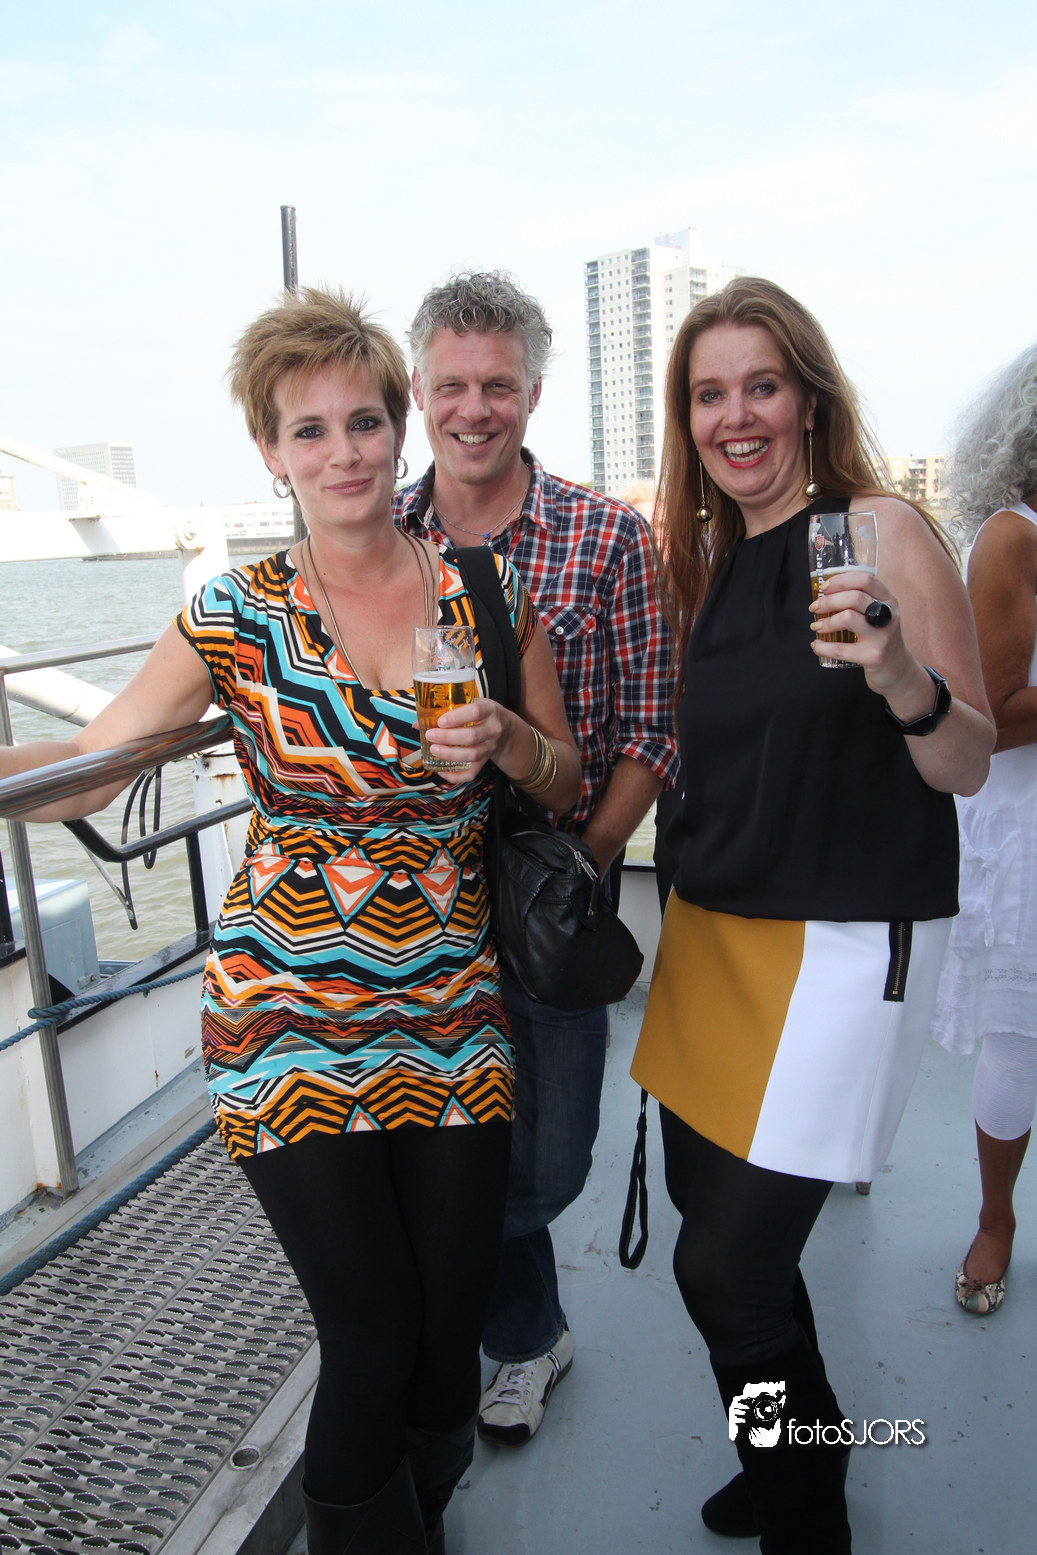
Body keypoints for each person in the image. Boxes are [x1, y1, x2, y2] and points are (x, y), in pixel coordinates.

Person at [0, 287, 581, 1554]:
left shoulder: (487, 593)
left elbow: (564, 778)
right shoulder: (235, 614)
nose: (342, 452)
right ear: (269, 450)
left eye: (363, 421)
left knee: (447, 1334)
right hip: (287, 1008)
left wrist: (507, 738)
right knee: (370, 1328)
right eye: (307, 429)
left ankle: (421, 1513)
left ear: (397, 429)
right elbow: (96, 764)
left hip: (450, 1000)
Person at [629, 277, 994, 1551]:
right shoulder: (711, 562)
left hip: (838, 947)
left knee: (722, 1270)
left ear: (808, 398)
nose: (734, 417)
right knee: (731, 1245)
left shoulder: (879, 530)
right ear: (685, 420)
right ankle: (793, 1455)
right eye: (707, 394)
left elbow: (964, 761)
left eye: (760, 386)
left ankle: (807, 1516)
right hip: (709, 940)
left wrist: (897, 672)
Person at [396, 271, 678, 1445]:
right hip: (411, 906)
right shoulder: (376, 538)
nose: (474, 408)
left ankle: (467, 1293)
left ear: (533, 393)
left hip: (552, 886)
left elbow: (654, 727)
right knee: (444, 1144)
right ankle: (520, 1334)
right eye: (452, 385)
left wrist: (589, 861)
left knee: (549, 1159)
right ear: (419, 392)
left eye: (497, 386)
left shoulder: (606, 537)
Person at [931, 342, 1037, 1317]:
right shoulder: (1014, 537)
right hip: (1024, 828)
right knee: (1018, 1035)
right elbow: (991, 716)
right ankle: (994, 1219)